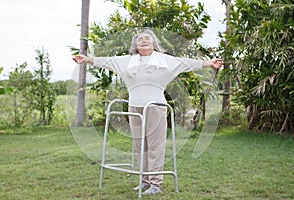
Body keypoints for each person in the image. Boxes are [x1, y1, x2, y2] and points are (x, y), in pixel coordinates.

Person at [73, 29, 223, 195]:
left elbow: (187, 63)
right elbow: (105, 61)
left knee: (155, 146)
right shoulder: (126, 61)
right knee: (140, 146)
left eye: (147, 39)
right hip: (134, 108)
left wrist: (209, 63)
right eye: (140, 39)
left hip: (156, 107)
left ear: (154, 44)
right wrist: (85, 59)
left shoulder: (165, 61)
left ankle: (155, 184)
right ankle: (144, 181)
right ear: (135, 45)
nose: (144, 41)